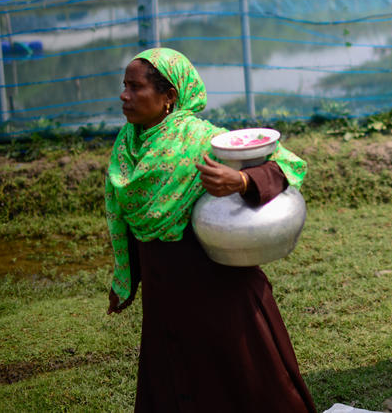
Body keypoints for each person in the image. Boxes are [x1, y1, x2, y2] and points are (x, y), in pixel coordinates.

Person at [105, 47, 316, 413]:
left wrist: (241, 179)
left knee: (245, 375)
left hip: (216, 285)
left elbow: (287, 164)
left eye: (136, 87)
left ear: (169, 96)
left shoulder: (203, 141)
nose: (125, 95)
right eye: (124, 86)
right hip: (164, 290)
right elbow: (128, 221)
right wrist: (126, 279)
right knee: (175, 378)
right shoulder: (127, 147)